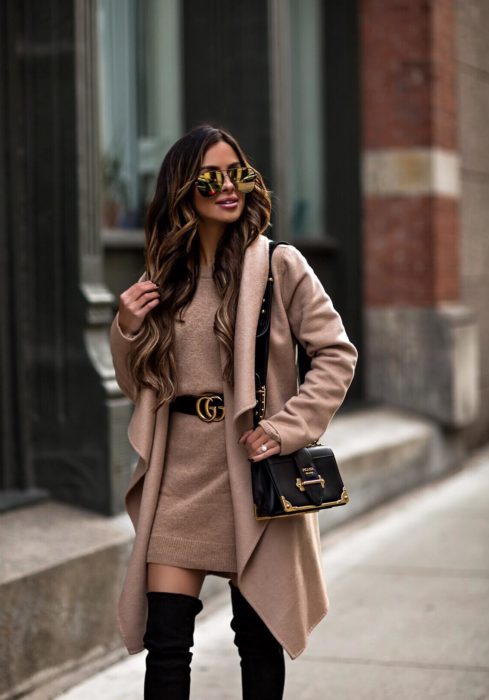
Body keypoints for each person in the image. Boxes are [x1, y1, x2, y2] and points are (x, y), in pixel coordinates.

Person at [110, 124, 358, 700]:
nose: (230, 187)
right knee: (167, 644)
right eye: (211, 178)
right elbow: (139, 386)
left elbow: (335, 354)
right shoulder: (163, 279)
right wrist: (126, 328)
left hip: (253, 471)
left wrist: (286, 428)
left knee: (257, 638)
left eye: (238, 174)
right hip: (179, 479)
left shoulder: (279, 264)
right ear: (181, 190)